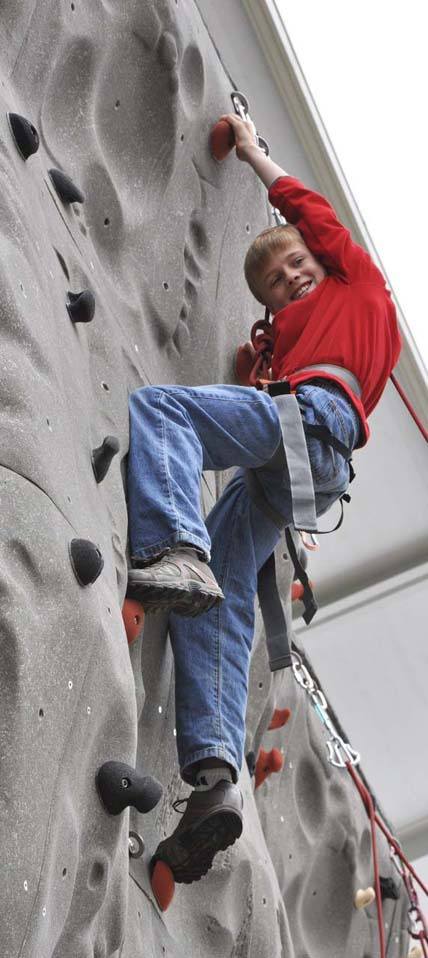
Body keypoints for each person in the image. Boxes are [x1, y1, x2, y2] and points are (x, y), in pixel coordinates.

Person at [126, 114, 401, 887]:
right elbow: (254, 399)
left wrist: (251, 151)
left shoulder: (360, 286)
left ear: (323, 258)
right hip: (305, 466)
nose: (292, 278)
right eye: (277, 283)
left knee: (162, 410)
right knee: (221, 588)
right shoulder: (293, 338)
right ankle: (213, 776)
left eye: (296, 264)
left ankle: (171, 544)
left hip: (309, 423)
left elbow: (309, 214)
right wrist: (260, 359)